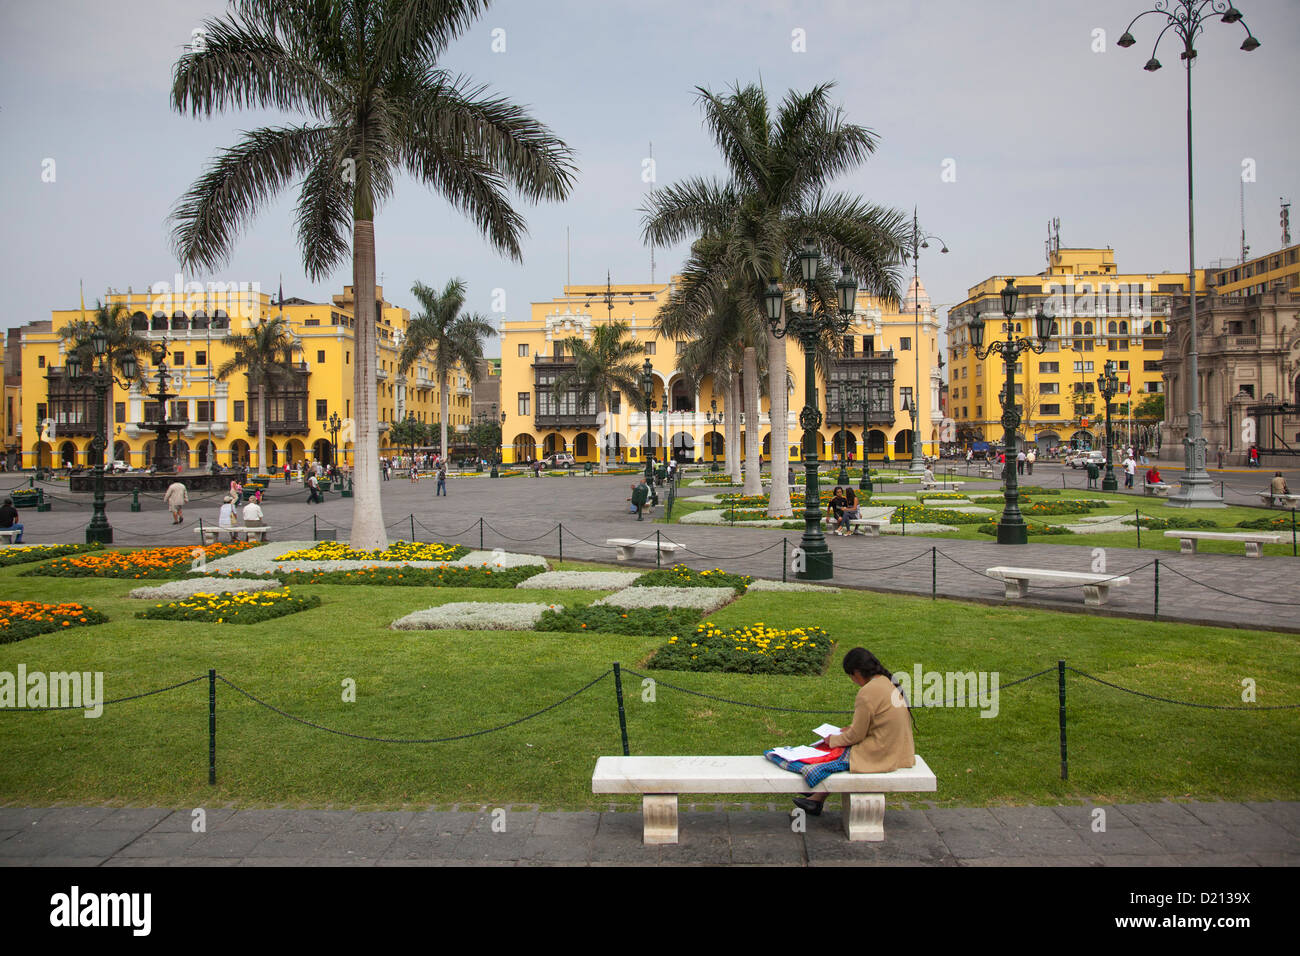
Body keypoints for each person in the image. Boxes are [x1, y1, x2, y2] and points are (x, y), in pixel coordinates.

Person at [769, 648, 915, 817]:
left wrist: (833, 740)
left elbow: (856, 736)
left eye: (851, 676)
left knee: (832, 755)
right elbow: (874, 724)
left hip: (881, 752)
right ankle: (816, 799)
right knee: (837, 750)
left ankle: (815, 795)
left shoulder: (867, 692)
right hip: (897, 748)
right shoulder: (886, 681)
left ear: (857, 673)